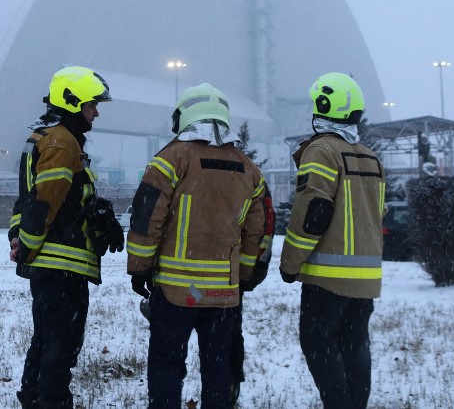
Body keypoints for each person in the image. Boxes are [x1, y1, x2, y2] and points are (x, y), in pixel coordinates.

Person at [127, 83, 266, 409]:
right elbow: (255, 231)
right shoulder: (248, 168)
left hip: (176, 290)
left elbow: (146, 220)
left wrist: (139, 268)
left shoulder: (169, 160)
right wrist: (243, 274)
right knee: (218, 366)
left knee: (166, 364)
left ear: (184, 117)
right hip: (224, 294)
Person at [8, 66, 124, 409]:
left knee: (46, 340)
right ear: (73, 102)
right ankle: (52, 401)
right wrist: (26, 245)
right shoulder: (62, 142)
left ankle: (34, 396)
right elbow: (45, 202)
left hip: (52, 264)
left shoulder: (48, 137)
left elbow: (32, 200)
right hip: (62, 266)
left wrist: (100, 218)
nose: (96, 112)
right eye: (92, 105)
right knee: (61, 344)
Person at [279, 72, 386, 409]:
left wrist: (290, 263)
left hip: (327, 279)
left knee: (318, 344)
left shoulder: (322, 152)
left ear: (323, 107)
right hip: (366, 280)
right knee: (355, 345)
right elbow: (376, 213)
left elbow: (313, 214)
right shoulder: (369, 156)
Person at [230, 181, 276, 405]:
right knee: (226, 337)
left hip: (178, 276)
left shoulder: (177, 161)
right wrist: (251, 270)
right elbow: (263, 228)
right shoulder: (250, 173)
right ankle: (227, 389)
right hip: (230, 278)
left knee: (169, 349)